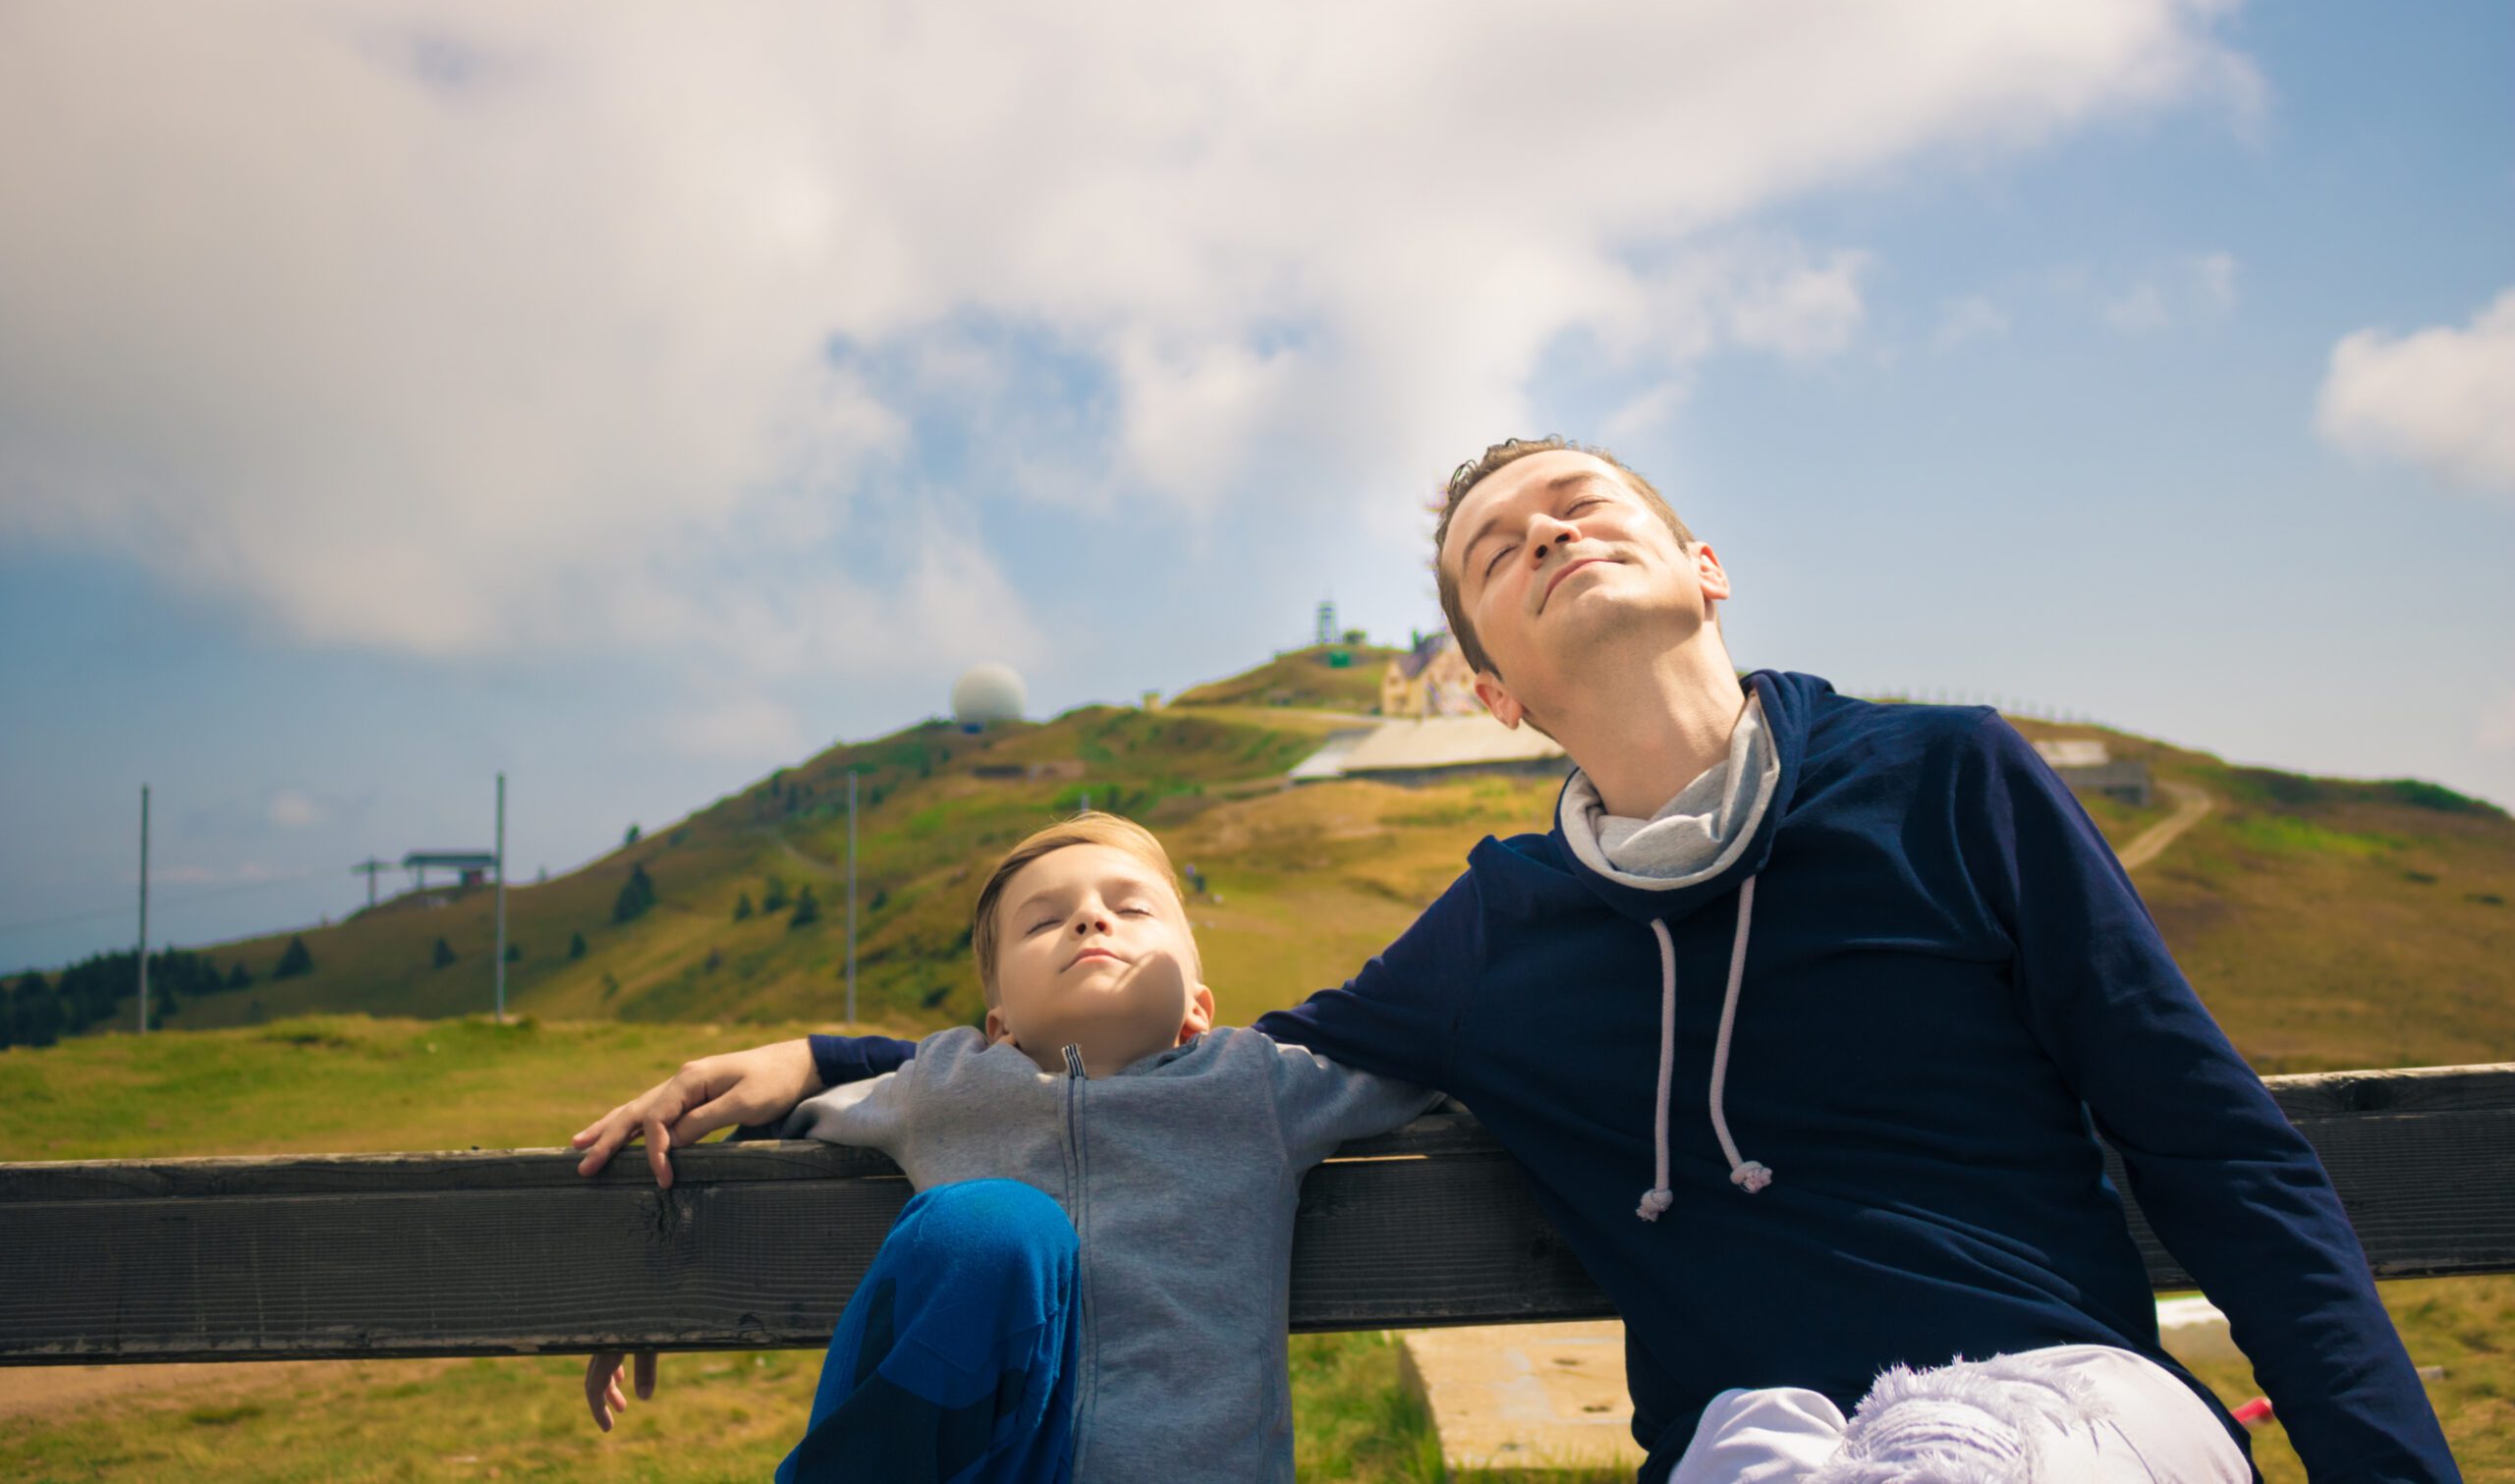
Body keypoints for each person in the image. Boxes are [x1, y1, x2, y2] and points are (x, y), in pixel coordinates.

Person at [576, 437, 2457, 1481]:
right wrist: (833, 1059)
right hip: (1758, 1452)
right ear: (1487, 682)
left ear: (1702, 562)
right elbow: (1171, 1051)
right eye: (1496, 543)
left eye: (1588, 501)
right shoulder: (1497, 928)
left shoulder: (1950, 778)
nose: (1548, 526)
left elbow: (2220, 1153)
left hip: (2055, 1412)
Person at [575, 811, 1431, 1483]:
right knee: (993, 1224)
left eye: (1131, 907)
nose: (1093, 918)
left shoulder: (1259, 1086)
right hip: (998, 1464)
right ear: (998, 1024)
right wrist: (645, 1285)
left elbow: (1435, 1051)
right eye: (1044, 920)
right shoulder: (943, 1087)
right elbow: (766, 1131)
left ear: (1199, 1007)